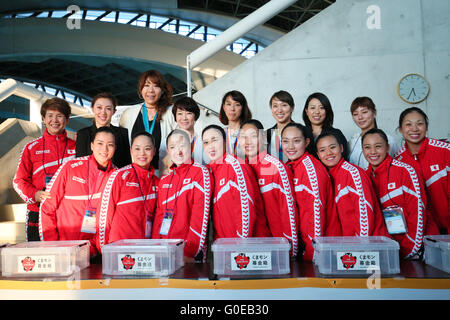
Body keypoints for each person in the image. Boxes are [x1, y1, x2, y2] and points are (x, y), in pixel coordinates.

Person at [39, 126, 116, 257]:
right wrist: (53, 246)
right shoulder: (70, 167)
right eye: (100, 144)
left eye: (110, 145)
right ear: (92, 146)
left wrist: (97, 250)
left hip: (96, 254)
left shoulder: (116, 176)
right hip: (64, 251)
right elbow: (47, 207)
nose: (104, 149)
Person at [362, 128, 438, 259]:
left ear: (387, 148)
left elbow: (418, 214)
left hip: (419, 250)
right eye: (367, 147)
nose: (373, 152)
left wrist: (408, 250)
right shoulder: (365, 177)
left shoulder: (406, 171)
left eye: (378, 146)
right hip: (390, 251)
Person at [13, 97, 76, 241]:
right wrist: (34, 194)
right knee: (39, 257)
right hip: (38, 211)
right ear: (43, 118)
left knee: (68, 258)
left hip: (68, 212)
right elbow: (19, 181)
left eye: (59, 116)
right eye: (50, 116)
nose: (55, 120)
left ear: (67, 119)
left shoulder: (77, 147)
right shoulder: (31, 148)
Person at [281, 123, 342, 261]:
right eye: (286, 141)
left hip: (321, 252)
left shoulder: (311, 169)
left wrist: (312, 255)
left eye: (296, 141)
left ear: (307, 142)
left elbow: (315, 219)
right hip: (306, 249)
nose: (290, 146)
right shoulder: (291, 165)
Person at [239, 119, 299, 257]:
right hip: (249, 247)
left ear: (264, 138)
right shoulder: (240, 169)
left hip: (275, 247)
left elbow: (289, 213)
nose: (248, 142)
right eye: (243, 137)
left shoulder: (277, 168)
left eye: (253, 136)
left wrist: (290, 251)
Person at [152, 129, 211, 262]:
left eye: (182, 146)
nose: (178, 151)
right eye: (173, 147)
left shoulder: (200, 172)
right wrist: (156, 247)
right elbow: (160, 217)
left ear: (190, 146)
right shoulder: (165, 179)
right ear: (168, 150)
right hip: (164, 251)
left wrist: (190, 252)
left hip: (188, 254)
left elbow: (200, 216)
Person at [202, 124, 270, 240]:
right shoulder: (209, 171)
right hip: (225, 245)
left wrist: (241, 246)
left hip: (247, 246)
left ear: (224, 142)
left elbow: (246, 211)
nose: (210, 146)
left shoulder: (236, 165)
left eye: (215, 140)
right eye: (206, 142)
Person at [316, 132, 388, 237]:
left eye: (332, 147)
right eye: (323, 150)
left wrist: (358, 247)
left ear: (341, 148)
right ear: (318, 155)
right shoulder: (327, 177)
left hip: (368, 245)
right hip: (348, 244)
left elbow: (365, 216)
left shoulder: (353, 173)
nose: (328, 153)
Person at [98, 131, 159, 250]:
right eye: (137, 149)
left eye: (147, 149)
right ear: (131, 151)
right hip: (120, 246)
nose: (142, 153)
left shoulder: (158, 182)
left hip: (146, 247)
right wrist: (104, 248)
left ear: (154, 151)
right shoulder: (120, 175)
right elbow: (105, 214)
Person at [395, 107, 449, 234]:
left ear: (427, 127)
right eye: (408, 124)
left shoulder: (445, 151)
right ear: (401, 129)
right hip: (422, 233)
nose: (414, 129)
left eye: (420, 123)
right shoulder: (398, 160)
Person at [119, 70, 176, 176]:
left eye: (156, 86)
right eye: (146, 85)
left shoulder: (171, 113)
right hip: (135, 175)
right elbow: (122, 147)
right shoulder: (129, 114)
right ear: (141, 89)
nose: (151, 90)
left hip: (163, 175)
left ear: (162, 90)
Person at [76, 92, 131, 168]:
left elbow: (126, 163)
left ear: (114, 111)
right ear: (92, 109)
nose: (103, 112)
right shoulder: (83, 134)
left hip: (117, 177)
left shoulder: (122, 134)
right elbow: (80, 163)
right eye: (99, 107)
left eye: (108, 108)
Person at [348, 96, 400, 169]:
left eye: (364, 112)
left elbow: (397, 166)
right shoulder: (351, 142)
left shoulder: (389, 140)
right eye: (355, 114)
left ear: (374, 113)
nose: (360, 117)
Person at [266, 90, 314, 162]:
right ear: (271, 109)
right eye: (275, 106)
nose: (279, 110)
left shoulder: (305, 131)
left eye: (284, 105)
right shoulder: (265, 134)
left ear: (292, 108)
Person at [303, 92, 348, 159]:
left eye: (321, 108)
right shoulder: (301, 134)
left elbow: (343, 159)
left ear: (327, 111)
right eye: (313, 108)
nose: (317, 112)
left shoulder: (336, 134)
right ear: (306, 111)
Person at [172, 96, 207, 165]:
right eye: (180, 114)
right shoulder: (167, 141)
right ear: (175, 116)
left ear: (195, 116)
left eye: (189, 113)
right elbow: (164, 168)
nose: (184, 118)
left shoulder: (203, 140)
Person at [218, 90, 252, 158]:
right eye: (229, 104)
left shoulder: (251, 132)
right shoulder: (219, 134)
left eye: (237, 105)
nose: (232, 109)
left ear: (243, 108)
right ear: (224, 107)